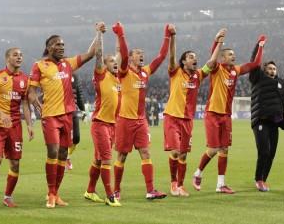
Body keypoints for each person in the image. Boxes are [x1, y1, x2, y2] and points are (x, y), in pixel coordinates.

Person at [28, 24, 103, 208]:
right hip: (51, 116)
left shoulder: (68, 64)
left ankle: (54, 194)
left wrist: (99, 33)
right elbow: (31, 92)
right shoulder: (39, 66)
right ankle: (51, 192)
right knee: (53, 152)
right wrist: (36, 103)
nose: (61, 47)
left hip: (67, 115)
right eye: (57, 44)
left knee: (63, 154)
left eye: (63, 45)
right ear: (48, 47)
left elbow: (92, 52)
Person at [192, 32, 266, 194]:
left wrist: (260, 45)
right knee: (213, 149)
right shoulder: (216, 68)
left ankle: (220, 184)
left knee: (224, 149)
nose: (234, 56)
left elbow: (255, 63)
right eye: (230, 54)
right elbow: (213, 55)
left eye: (234, 54)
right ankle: (197, 173)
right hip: (212, 113)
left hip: (226, 116)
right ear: (222, 58)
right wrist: (217, 40)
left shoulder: (236, 70)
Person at [112, 22, 173, 200]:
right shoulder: (123, 71)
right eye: (138, 53)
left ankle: (150, 189)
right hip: (124, 120)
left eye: (142, 53)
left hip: (140, 121)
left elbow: (161, 56)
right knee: (122, 156)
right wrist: (121, 35)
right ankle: (116, 190)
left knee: (146, 153)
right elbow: (122, 54)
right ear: (130, 58)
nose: (142, 56)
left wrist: (167, 35)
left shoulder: (145, 72)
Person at [164, 28, 225, 197]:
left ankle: (181, 186)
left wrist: (219, 42)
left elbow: (212, 63)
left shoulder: (198, 75)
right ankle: (173, 183)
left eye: (195, 57)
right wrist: (173, 36)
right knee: (175, 151)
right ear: (183, 62)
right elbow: (171, 57)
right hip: (173, 117)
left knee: (183, 154)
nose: (194, 59)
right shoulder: (175, 72)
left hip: (187, 120)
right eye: (190, 57)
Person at [84, 22, 121, 207]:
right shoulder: (101, 74)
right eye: (112, 61)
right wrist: (99, 34)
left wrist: (118, 35)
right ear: (105, 65)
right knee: (107, 159)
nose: (115, 63)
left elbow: (121, 54)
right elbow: (98, 54)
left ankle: (90, 191)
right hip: (100, 123)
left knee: (98, 160)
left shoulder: (117, 79)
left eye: (116, 61)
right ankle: (110, 195)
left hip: (112, 124)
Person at [249, 37, 284, 192]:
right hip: (260, 120)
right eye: (270, 68)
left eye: (275, 69)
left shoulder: (282, 84)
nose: (273, 70)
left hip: (275, 122)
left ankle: (263, 180)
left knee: (271, 154)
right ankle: (258, 180)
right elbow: (254, 63)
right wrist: (259, 45)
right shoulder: (257, 78)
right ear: (264, 69)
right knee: (264, 151)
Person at [0, 47, 34, 207]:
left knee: (15, 163)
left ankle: (8, 197)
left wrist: (29, 124)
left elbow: (24, 103)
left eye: (21, 55)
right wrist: (1, 115)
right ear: (7, 58)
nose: (19, 57)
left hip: (15, 126)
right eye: (15, 55)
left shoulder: (25, 79)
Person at [65, 74, 86, 171]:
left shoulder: (75, 76)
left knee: (76, 138)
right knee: (63, 138)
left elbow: (79, 93)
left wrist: (83, 110)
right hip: (61, 110)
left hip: (73, 110)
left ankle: (67, 156)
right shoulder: (57, 73)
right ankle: (63, 160)